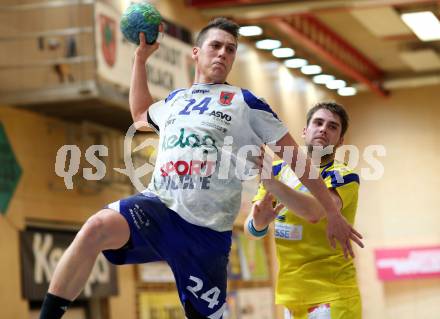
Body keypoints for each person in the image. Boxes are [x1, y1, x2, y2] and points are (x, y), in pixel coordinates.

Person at [39, 18, 362, 319]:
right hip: (160, 209)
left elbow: (296, 160)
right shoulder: (176, 101)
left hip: (205, 236)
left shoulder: (246, 103)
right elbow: (140, 114)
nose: (223, 53)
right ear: (196, 53)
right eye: (216, 46)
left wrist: (333, 214)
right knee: (95, 228)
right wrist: (140, 59)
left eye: (230, 49)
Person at [247, 102, 362, 319]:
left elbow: (315, 212)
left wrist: (273, 185)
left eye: (333, 127)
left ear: (340, 141)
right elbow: (252, 228)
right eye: (318, 123)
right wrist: (258, 224)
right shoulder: (278, 170)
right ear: (305, 131)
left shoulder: (342, 175)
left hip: (332, 295)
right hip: (291, 297)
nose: (323, 129)